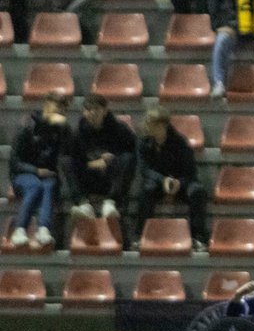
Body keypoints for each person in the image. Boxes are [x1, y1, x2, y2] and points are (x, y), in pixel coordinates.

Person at [132, 106, 209, 251]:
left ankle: (197, 237)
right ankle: (141, 235)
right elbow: (145, 170)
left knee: (197, 192)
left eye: (149, 123)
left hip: (181, 182)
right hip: (157, 182)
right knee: (146, 191)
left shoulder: (180, 142)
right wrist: (163, 180)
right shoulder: (143, 142)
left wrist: (179, 182)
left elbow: (191, 171)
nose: (145, 126)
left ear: (161, 125)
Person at [63, 93, 136, 236]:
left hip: (111, 180)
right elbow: (72, 158)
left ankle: (111, 202)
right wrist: (91, 164)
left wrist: (113, 158)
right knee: (66, 161)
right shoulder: (78, 133)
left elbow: (133, 150)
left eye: (96, 109)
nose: (92, 113)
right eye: (88, 109)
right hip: (89, 178)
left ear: (105, 110)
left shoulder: (119, 129)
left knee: (127, 158)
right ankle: (82, 204)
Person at [8, 91, 70, 249]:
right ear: (47, 105)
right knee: (35, 185)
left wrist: (65, 129)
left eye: (63, 110)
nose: (60, 112)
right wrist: (36, 171)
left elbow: (68, 153)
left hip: (48, 175)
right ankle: (20, 229)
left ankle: (43, 229)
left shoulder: (60, 129)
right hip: (23, 174)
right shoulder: (28, 125)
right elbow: (15, 162)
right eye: (57, 107)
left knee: (49, 186)